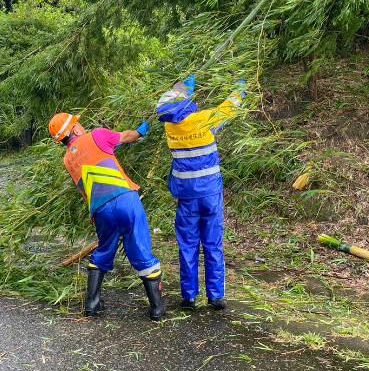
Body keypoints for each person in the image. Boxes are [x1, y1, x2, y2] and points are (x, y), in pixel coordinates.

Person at [48, 112, 166, 321]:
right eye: (78, 124)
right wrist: (142, 129)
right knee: (141, 249)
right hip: (126, 200)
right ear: (74, 129)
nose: (81, 126)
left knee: (103, 251)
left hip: (100, 209)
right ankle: (157, 308)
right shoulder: (98, 135)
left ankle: (92, 304)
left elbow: (84, 191)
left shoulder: (68, 159)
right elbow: (128, 137)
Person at [155, 75, 245, 310]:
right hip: (210, 195)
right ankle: (216, 296)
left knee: (188, 244)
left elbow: (175, 103)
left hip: (186, 197)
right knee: (213, 243)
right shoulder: (204, 120)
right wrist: (240, 89)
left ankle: (189, 296)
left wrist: (183, 87)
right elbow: (229, 108)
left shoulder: (170, 127)